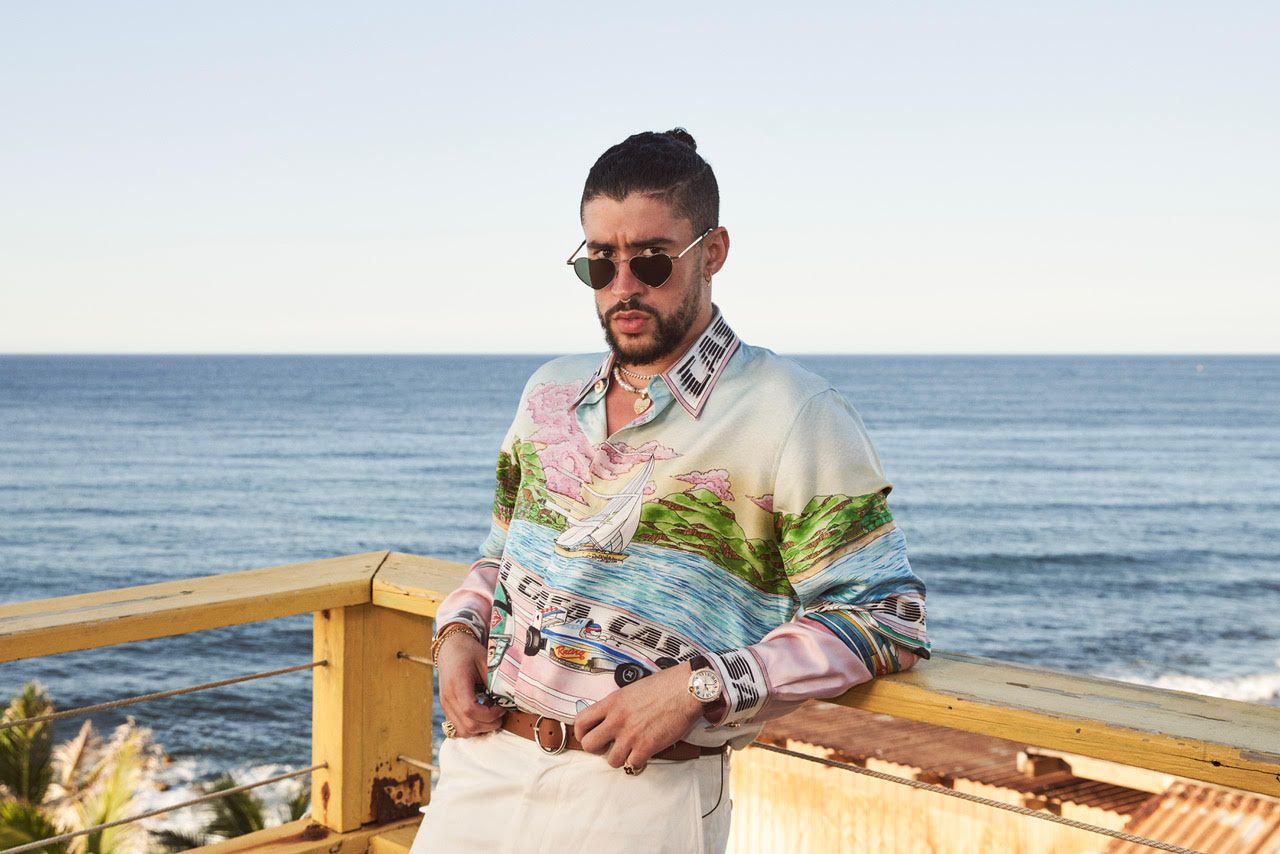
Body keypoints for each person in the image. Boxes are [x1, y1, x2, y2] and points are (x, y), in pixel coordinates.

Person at [411, 128, 930, 854]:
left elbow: (888, 617)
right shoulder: (548, 391)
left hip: (644, 790)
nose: (623, 286)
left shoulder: (794, 412)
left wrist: (699, 686)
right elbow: (501, 555)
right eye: (600, 262)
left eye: (651, 260)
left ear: (712, 252)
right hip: (484, 763)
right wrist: (458, 631)